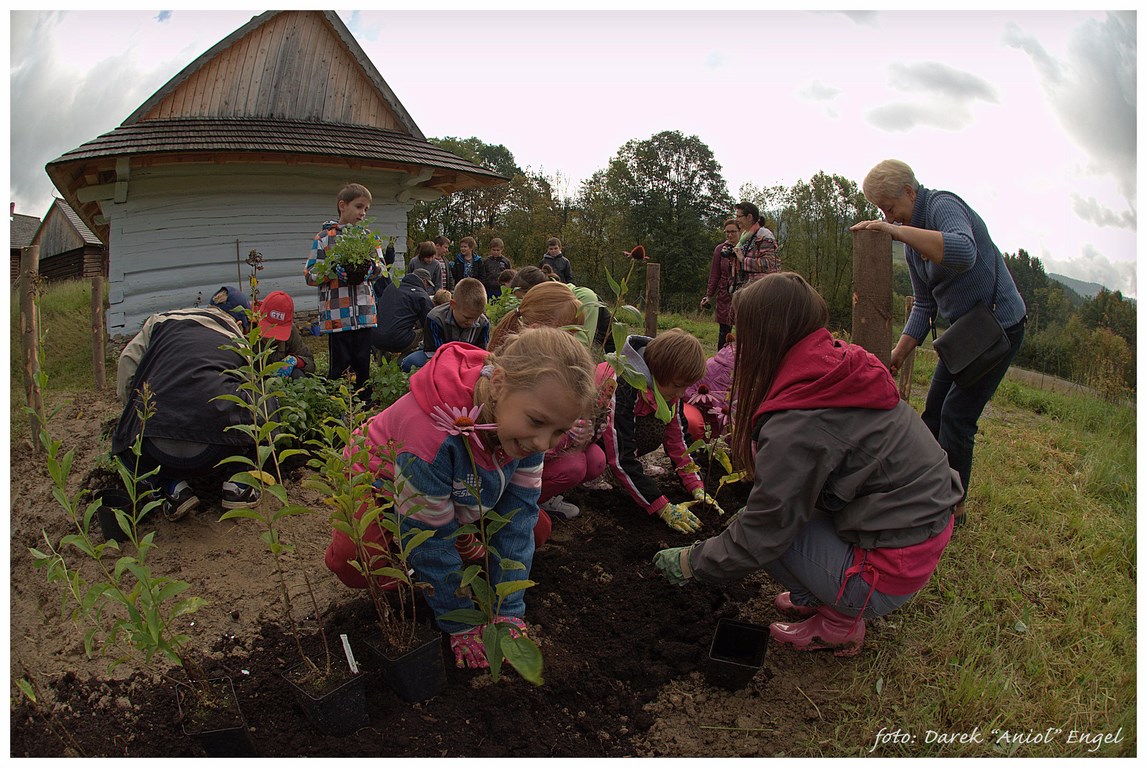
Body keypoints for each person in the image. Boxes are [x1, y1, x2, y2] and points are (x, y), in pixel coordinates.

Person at [653, 273, 962, 657]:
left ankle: (840, 622)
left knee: (765, 532)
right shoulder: (832, 368)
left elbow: (767, 528)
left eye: (744, 333)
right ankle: (820, 594)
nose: (737, 343)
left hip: (892, 565)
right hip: (913, 531)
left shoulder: (800, 419)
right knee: (770, 519)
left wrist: (692, 562)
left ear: (767, 336)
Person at [324, 327, 596, 668]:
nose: (543, 443)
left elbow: (518, 518)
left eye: (558, 431)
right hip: (379, 478)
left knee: (536, 528)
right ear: (498, 385)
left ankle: (456, 554)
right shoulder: (432, 436)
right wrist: (460, 623)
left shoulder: (528, 427)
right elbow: (430, 540)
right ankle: (416, 571)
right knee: (359, 562)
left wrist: (507, 611)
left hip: (453, 491)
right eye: (537, 422)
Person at [850, 159, 1026, 526]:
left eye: (890, 207)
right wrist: (895, 356)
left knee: (958, 418)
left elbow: (963, 252)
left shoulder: (943, 205)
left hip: (998, 329)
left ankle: (952, 509)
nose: (889, 217)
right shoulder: (914, 238)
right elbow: (926, 306)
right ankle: (923, 489)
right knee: (933, 413)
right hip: (965, 332)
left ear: (910, 192)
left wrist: (896, 233)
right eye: (882, 211)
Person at [112, 286, 265, 520]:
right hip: (214, 449)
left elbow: (127, 361)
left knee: (123, 439)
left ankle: (171, 488)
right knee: (261, 402)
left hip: (155, 445)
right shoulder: (237, 337)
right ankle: (237, 483)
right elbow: (247, 396)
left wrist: (133, 414)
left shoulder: (161, 321)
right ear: (242, 322)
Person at [489, 281, 601, 521]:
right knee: (574, 467)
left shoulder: (551, 372)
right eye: (568, 335)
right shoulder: (512, 379)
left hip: (526, 462)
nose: (574, 344)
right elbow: (521, 440)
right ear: (538, 331)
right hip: (498, 470)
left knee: (593, 459)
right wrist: (567, 438)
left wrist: (580, 430)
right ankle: (502, 507)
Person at [597, 328, 721, 533]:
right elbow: (621, 458)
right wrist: (661, 506)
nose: (681, 393)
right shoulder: (623, 384)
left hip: (620, 430)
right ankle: (601, 470)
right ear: (659, 372)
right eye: (678, 386)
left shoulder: (667, 386)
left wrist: (696, 485)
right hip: (588, 434)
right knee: (598, 460)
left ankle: (631, 468)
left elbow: (678, 440)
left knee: (661, 425)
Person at [304, 182, 385, 401]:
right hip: (338, 316)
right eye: (359, 206)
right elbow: (310, 275)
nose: (363, 213)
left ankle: (365, 409)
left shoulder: (369, 238)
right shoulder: (324, 238)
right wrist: (331, 271)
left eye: (366, 209)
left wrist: (369, 269)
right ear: (342, 205)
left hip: (364, 314)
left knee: (362, 366)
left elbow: (382, 269)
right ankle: (337, 408)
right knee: (339, 368)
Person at [511, 265, 613, 352]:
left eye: (526, 300)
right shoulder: (546, 305)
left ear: (539, 293)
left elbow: (582, 345)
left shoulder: (584, 298)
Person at [400, 277, 490, 372]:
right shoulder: (435, 318)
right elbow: (433, 353)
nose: (472, 322)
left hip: (467, 359)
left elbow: (481, 353)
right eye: (467, 318)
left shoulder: (483, 323)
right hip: (437, 356)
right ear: (453, 305)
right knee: (410, 362)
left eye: (476, 318)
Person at [681, 337, 736, 443]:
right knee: (693, 424)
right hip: (691, 402)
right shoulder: (728, 370)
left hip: (713, 413)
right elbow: (727, 418)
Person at [372, 268, 434, 356]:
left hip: (375, 338)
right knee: (426, 332)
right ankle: (405, 359)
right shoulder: (421, 295)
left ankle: (382, 358)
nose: (427, 288)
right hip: (399, 341)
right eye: (428, 284)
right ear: (423, 280)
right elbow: (430, 323)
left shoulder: (392, 286)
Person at [254, 290, 315, 379]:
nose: (272, 337)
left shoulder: (292, 332)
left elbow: (310, 363)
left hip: (280, 383)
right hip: (254, 383)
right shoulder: (247, 329)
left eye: (277, 332)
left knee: (297, 374)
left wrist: (295, 360)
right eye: (268, 330)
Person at [700, 218, 741, 349]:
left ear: (740, 231)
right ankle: (721, 361)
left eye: (733, 231)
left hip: (743, 292)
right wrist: (709, 295)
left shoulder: (746, 248)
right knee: (724, 331)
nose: (730, 235)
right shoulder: (720, 250)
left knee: (744, 329)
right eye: (727, 232)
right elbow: (714, 274)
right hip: (725, 293)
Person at [732, 201, 780, 287]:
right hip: (750, 288)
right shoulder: (745, 237)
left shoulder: (764, 235)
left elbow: (769, 264)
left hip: (765, 288)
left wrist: (743, 260)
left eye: (739, 216)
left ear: (749, 217)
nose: (737, 220)